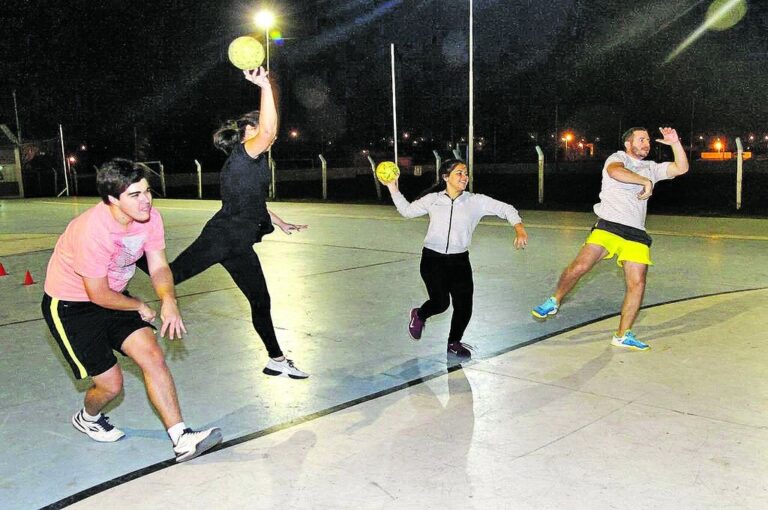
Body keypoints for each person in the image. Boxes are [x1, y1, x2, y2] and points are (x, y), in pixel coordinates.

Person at [41, 159, 222, 463]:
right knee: (111, 385)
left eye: (147, 191)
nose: (146, 200)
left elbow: (160, 266)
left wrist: (168, 299)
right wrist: (139, 304)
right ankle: (87, 417)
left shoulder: (150, 218)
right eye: (135, 195)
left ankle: (181, 437)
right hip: (72, 306)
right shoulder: (92, 230)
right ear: (112, 199)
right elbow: (96, 293)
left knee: (152, 355)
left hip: (114, 297)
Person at [148, 67, 309, 379]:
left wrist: (281, 222)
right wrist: (265, 87)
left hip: (239, 244)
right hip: (222, 238)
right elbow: (269, 131)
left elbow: (252, 202)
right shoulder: (243, 155)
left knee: (261, 301)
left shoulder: (255, 162)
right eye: (258, 126)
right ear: (247, 133)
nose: (266, 130)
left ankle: (276, 358)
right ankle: (122, 262)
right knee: (171, 275)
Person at [532, 127, 689, 351]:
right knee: (581, 266)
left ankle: (623, 335)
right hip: (609, 225)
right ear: (628, 143)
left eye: (648, 140)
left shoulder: (651, 168)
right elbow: (616, 172)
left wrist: (675, 143)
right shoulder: (618, 158)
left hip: (636, 233)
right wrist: (644, 182)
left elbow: (681, 168)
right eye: (641, 140)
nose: (647, 144)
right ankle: (555, 300)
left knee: (638, 283)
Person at [382, 159, 528, 358]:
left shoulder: (475, 201)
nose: (464, 177)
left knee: (464, 306)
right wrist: (392, 187)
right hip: (432, 260)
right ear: (445, 177)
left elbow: (507, 209)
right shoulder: (432, 199)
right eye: (459, 173)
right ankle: (420, 314)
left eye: (466, 173)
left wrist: (518, 228)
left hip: (459, 261)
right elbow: (407, 211)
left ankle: (454, 342)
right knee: (441, 303)